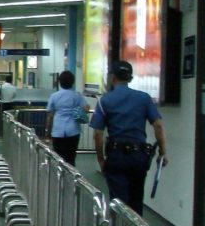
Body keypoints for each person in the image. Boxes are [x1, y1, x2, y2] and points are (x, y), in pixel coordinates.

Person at [91, 61, 168, 215]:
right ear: (130, 79)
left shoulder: (104, 101)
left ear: (112, 78)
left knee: (118, 203)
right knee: (136, 199)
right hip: (139, 157)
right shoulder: (144, 98)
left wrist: (101, 159)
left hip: (116, 156)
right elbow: (158, 125)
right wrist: (163, 152)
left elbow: (98, 134)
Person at [46, 70, 89, 166]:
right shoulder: (76, 95)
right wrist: (78, 111)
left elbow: (50, 116)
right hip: (73, 130)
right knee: (71, 157)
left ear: (59, 82)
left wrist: (48, 132)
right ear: (73, 82)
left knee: (58, 158)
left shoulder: (54, 96)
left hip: (57, 131)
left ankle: (59, 178)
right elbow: (86, 107)